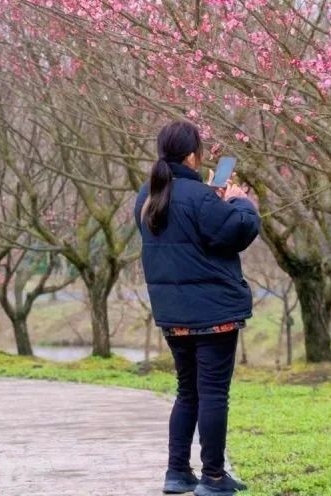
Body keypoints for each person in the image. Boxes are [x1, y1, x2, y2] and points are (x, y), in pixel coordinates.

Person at [133, 121, 260, 496]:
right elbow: (237, 231)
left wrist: (212, 199)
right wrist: (239, 200)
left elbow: (186, 233)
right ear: (192, 156)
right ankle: (214, 477)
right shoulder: (200, 198)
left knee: (187, 391)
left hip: (173, 313)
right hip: (213, 313)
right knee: (213, 394)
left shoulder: (147, 196)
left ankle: (177, 473)